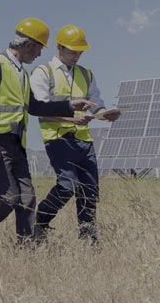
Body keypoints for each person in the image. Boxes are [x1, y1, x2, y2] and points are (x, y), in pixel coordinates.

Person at [0, 18, 95, 246]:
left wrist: (70, 105)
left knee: (27, 198)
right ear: (28, 45)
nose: (39, 55)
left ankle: (26, 248)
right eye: (39, 49)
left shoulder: (22, 74)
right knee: (9, 197)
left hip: (15, 143)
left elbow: (35, 107)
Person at [29, 24, 120, 245]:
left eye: (80, 52)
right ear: (59, 48)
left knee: (90, 189)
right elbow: (40, 108)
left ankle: (89, 238)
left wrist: (104, 113)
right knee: (68, 184)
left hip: (84, 140)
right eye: (72, 51)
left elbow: (96, 101)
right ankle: (40, 221)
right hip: (58, 138)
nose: (77, 56)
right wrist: (71, 118)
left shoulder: (86, 74)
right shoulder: (43, 72)